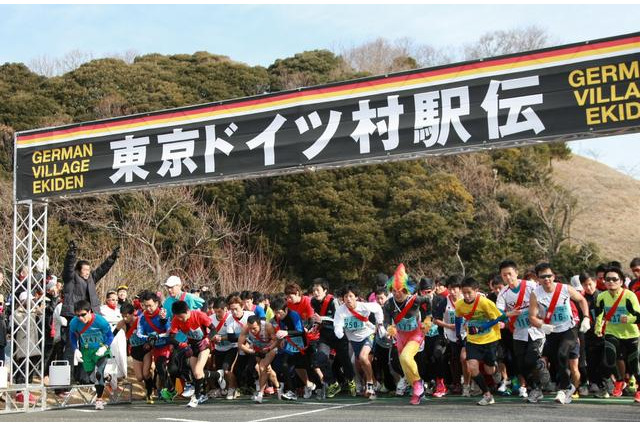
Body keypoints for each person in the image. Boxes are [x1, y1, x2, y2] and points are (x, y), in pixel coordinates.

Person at [528, 262, 591, 405]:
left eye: (549, 275)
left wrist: (586, 317)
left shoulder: (565, 288)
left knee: (563, 354)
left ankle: (563, 390)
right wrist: (541, 325)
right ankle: (563, 387)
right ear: (538, 279)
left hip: (569, 329)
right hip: (551, 331)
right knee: (554, 361)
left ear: (554, 276)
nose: (547, 279)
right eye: (543, 276)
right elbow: (532, 317)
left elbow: (581, 300)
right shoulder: (535, 294)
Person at [61, 240, 119, 383]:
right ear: (78, 270)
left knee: (87, 347)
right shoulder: (71, 278)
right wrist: (72, 253)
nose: (87, 272)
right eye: (84, 270)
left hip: (90, 317)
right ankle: (65, 380)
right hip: (74, 316)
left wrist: (112, 258)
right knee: (71, 347)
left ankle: (85, 377)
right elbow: (68, 267)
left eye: (88, 270)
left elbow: (102, 269)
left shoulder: (91, 278)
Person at [495, 260, 548, 403]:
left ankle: (539, 374)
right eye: (504, 275)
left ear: (516, 273)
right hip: (518, 333)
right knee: (521, 364)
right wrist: (509, 315)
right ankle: (534, 388)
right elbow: (499, 313)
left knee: (531, 359)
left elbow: (544, 301)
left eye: (510, 274)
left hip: (536, 331)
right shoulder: (503, 294)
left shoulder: (531, 286)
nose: (508, 277)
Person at [382, 264, 433, 405]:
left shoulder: (415, 300)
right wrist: (389, 328)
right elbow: (386, 321)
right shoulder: (388, 304)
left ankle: (417, 386)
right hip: (401, 336)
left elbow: (428, 303)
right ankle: (418, 387)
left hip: (416, 334)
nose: (398, 294)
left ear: (407, 290)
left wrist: (428, 319)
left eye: (401, 291)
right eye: (394, 291)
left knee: (406, 357)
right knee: (404, 365)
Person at [455, 276, 506, 406]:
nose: (466, 296)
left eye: (469, 293)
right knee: (472, 367)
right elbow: (458, 318)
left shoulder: (485, 303)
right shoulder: (460, 304)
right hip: (473, 340)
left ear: (476, 290)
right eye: (464, 292)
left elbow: (500, 319)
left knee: (489, 370)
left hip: (490, 339)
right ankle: (487, 394)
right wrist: (458, 333)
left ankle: (496, 371)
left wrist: (482, 327)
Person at [594, 265, 640, 402]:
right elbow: (599, 314)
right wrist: (597, 327)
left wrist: (629, 319)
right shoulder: (601, 297)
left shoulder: (629, 296)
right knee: (609, 358)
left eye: (615, 279)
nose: (611, 282)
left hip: (631, 334)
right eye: (608, 279)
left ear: (621, 281)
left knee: (634, 365)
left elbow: (639, 316)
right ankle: (619, 381)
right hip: (612, 332)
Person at [169, 300, 224, 408]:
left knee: (198, 372)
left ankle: (196, 397)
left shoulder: (199, 315)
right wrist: (180, 344)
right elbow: (171, 338)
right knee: (196, 374)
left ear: (187, 311)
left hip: (204, 345)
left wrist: (208, 339)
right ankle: (217, 375)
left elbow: (213, 329)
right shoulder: (176, 320)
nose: (180, 319)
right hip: (192, 346)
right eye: (177, 317)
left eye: (181, 316)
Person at [333, 285, 384, 400]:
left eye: (351, 296)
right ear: (343, 298)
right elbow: (337, 323)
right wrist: (339, 331)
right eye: (346, 296)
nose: (348, 299)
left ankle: (370, 385)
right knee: (360, 364)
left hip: (368, 335)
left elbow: (377, 308)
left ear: (356, 297)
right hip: (354, 340)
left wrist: (379, 323)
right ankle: (373, 384)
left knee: (363, 357)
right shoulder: (340, 310)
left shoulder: (364, 306)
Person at [162, 275, 204, 398]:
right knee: (173, 368)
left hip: (192, 337)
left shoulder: (189, 297)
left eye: (171, 287)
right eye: (167, 288)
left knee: (190, 364)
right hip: (178, 339)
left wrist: (200, 322)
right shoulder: (167, 302)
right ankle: (187, 385)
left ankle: (197, 389)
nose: (169, 290)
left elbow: (204, 304)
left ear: (179, 286)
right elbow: (166, 321)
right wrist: (163, 319)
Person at [310, 278, 353, 398]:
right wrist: (312, 326)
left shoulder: (333, 301)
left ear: (325, 291)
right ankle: (333, 383)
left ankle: (351, 381)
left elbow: (339, 320)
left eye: (318, 290)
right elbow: (316, 319)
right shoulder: (313, 302)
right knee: (320, 358)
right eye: (314, 290)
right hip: (325, 336)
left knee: (345, 361)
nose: (315, 293)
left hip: (339, 335)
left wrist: (322, 319)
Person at [68, 300, 114, 410]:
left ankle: (99, 400)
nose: (80, 318)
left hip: (100, 350)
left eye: (83, 314)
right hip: (86, 351)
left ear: (89, 312)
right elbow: (72, 336)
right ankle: (106, 377)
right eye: (77, 315)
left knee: (98, 373)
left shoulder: (100, 321)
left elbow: (110, 336)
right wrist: (75, 349)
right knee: (91, 376)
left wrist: (105, 347)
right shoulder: (74, 322)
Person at [238, 315, 278, 403]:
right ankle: (278, 387)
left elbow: (276, 341)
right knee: (268, 369)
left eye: (254, 328)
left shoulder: (268, 326)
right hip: (257, 349)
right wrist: (250, 351)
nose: (252, 331)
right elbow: (240, 344)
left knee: (262, 367)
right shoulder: (246, 328)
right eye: (250, 328)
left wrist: (268, 348)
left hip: (269, 348)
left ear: (259, 324)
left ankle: (260, 394)